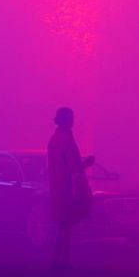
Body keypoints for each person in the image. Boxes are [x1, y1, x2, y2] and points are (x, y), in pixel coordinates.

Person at [47, 107, 94, 268]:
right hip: (67, 188)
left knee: (62, 224)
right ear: (66, 120)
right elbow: (73, 167)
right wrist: (86, 164)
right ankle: (63, 260)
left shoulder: (54, 139)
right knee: (66, 224)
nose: (73, 121)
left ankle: (57, 258)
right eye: (71, 118)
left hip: (57, 186)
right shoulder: (66, 139)